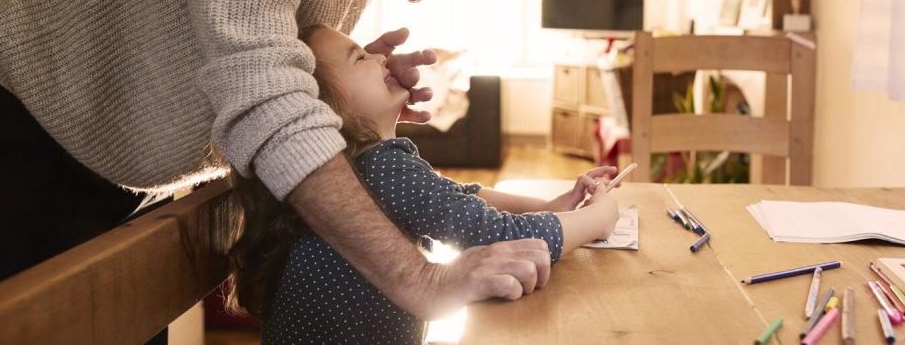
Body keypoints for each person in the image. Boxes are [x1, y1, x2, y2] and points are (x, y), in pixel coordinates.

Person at [0, 0, 545, 325]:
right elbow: (263, 91)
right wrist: (419, 277)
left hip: (129, 176)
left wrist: (353, 83)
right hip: (15, 129)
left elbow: (269, 56)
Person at [217, 25, 621, 344]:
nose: (381, 57)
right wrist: (597, 220)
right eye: (360, 56)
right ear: (324, 111)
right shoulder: (378, 165)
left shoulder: (361, 166)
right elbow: (497, 236)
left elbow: (458, 198)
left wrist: (553, 205)